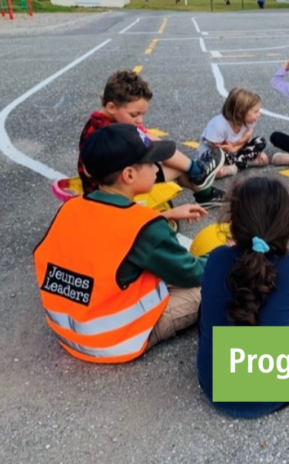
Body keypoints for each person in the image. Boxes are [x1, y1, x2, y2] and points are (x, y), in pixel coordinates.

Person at [34, 124, 209, 363]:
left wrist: (164, 216)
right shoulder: (144, 226)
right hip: (113, 340)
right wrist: (221, 255)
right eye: (151, 163)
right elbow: (191, 273)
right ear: (129, 175)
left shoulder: (71, 207)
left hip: (68, 328)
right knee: (210, 285)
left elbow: (109, 234)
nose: (156, 168)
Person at [197, 177, 289, 418]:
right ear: (287, 224)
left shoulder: (216, 257)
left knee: (208, 308)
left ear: (233, 222)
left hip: (213, 385)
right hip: (269, 395)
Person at [78, 70, 225, 209]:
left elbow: (147, 138)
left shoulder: (109, 122)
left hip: (114, 177)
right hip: (111, 186)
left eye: (143, 114)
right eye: (134, 115)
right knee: (178, 168)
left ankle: (198, 176)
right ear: (111, 107)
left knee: (166, 154)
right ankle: (200, 179)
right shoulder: (107, 131)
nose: (140, 119)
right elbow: (145, 144)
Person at [199, 88, 268, 178]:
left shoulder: (249, 122)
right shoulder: (218, 125)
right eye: (256, 111)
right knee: (219, 155)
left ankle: (235, 166)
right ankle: (243, 163)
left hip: (234, 152)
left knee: (260, 141)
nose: (259, 114)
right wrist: (232, 150)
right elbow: (215, 150)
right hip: (215, 155)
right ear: (240, 112)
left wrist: (235, 148)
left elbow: (247, 136)